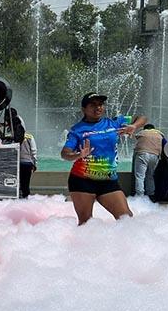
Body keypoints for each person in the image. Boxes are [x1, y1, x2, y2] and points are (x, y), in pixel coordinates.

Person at [61, 92, 147, 225]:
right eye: (93, 105)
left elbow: (142, 117)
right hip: (83, 181)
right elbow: (65, 153)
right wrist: (79, 155)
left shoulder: (113, 122)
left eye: (100, 104)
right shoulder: (77, 130)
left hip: (108, 181)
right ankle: (83, 245)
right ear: (84, 109)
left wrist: (134, 126)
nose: (98, 108)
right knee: (86, 223)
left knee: (126, 217)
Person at [132, 123, 165, 198]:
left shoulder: (142, 133)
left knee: (140, 176)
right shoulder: (159, 135)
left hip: (142, 154)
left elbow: (136, 137)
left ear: (145, 129)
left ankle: (140, 196)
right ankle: (151, 194)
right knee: (150, 176)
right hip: (155, 156)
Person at [19, 130, 38, 198]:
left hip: (17, 163)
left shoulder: (13, 136)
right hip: (27, 163)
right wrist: (35, 164)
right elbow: (34, 151)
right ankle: (25, 198)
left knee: (19, 183)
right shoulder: (29, 137)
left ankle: (19, 198)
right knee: (26, 183)